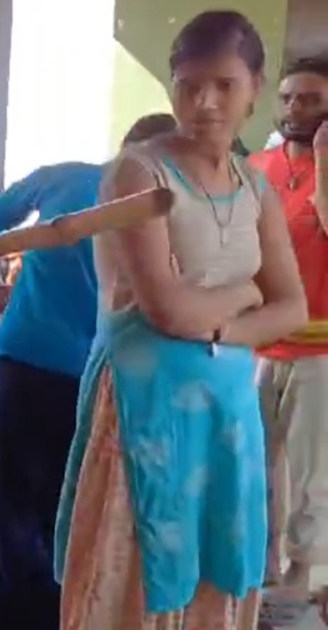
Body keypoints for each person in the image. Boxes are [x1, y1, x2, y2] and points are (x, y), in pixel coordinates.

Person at [54, 11, 307, 627]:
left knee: (219, 569)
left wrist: (218, 327)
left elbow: (294, 308)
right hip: (149, 408)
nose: (205, 102)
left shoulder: (254, 186)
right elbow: (167, 311)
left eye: (224, 84)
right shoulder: (139, 173)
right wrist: (248, 291)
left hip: (226, 412)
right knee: (138, 574)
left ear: (254, 89)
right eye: (188, 85)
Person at [0, 112, 178, 630]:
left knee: (19, 555)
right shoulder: (168, 224)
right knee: (54, 552)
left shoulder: (68, 180)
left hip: (30, 383)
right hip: (90, 397)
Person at [251, 54, 328, 602]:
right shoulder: (258, 168)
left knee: (308, 477)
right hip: (256, 344)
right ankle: (255, 570)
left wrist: (325, 157)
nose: (294, 109)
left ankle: (300, 582)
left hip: (320, 351)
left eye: (310, 99)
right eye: (287, 99)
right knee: (252, 467)